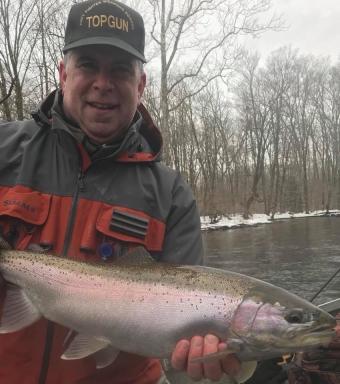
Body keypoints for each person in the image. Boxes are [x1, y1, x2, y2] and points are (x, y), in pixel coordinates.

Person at [0, 0, 240, 383]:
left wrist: (203, 366)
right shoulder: (4, 150)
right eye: (88, 65)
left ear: (140, 85)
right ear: (63, 73)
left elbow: (186, 350)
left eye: (120, 70)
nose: (103, 83)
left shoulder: (171, 196)